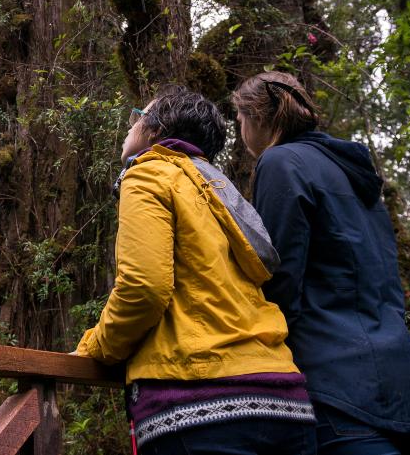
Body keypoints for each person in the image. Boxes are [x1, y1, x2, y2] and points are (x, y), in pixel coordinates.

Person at [75, 85, 316, 455]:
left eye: (136, 117)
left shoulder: (148, 174)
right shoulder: (221, 191)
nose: (128, 127)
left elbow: (144, 287)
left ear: (155, 130)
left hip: (199, 403)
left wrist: (96, 347)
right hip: (284, 398)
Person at [232, 71, 410, 455]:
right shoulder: (353, 170)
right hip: (408, 382)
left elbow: (279, 275)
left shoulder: (280, 162)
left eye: (239, 119)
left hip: (339, 386)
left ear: (257, 117)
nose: (239, 130)